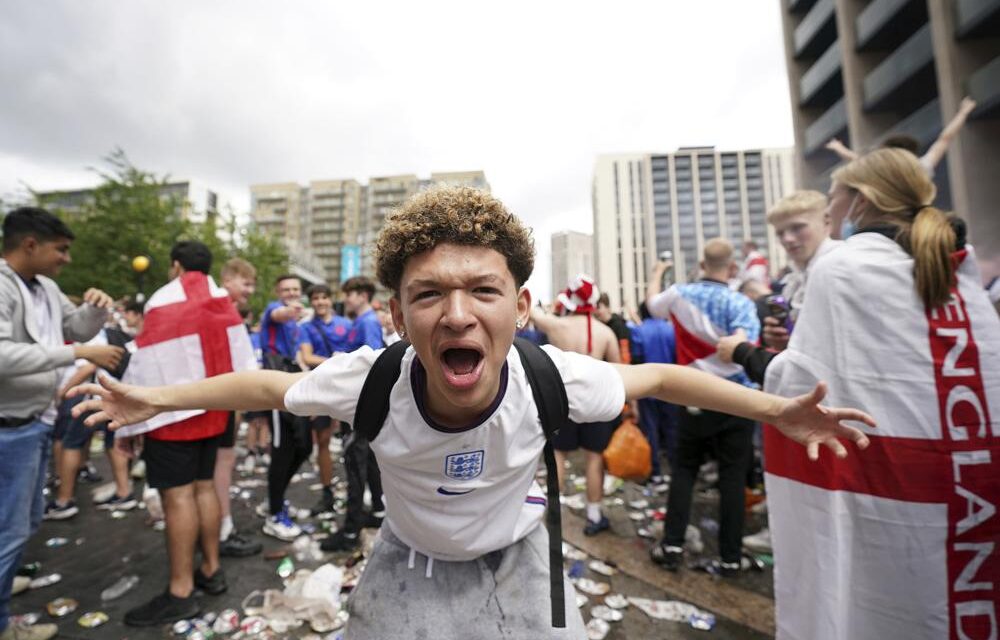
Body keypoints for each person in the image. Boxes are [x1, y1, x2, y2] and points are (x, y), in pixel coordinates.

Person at [70, 186, 873, 640]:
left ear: (520, 307)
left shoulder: (548, 376)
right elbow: (265, 389)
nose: (457, 314)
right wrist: (152, 397)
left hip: (519, 562)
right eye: (428, 294)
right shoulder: (371, 379)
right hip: (405, 568)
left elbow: (660, 379)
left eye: (482, 291)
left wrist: (778, 409)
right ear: (396, 314)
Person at [758, 148, 999, 639]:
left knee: (883, 606)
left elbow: (802, 388)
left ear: (861, 201)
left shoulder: (843, 269)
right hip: (974, 487)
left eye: (833, 199)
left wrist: (748, 356)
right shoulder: (957, 267)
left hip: (892, 490)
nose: (829, 212)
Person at [113, 241, 255, 626]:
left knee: (177, 498)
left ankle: (180, 590)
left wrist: (132, 421)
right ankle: (210, 569)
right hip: (216, 410)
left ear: (175, 265)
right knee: (205, 487)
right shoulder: (222, 301)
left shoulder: (162, 300)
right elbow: (245, 360)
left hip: (172, 415)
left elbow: (146, 362)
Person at [0, 207, 121, 640]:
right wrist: (77, 354)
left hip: (32, 422)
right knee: (10, 529)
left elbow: (73, 327)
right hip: (8, 427)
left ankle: (6, 574)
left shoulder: (46, 287)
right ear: (30, 244)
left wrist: (94, 311)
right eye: (62, 250)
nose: (66, 259)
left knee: (27, 522)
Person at [718, 190, 842, 554]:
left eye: (797, 228)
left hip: (827, 404)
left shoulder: (833, 270)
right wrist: (787, 338)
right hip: (809, 404)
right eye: (781, 233)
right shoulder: (801, 278)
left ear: (826, 222)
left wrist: (743, 352)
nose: (788, 239)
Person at [645, 239, 761, 576]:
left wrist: (658, 272)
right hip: (737, 399)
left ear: (701, 264)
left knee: (683, 471)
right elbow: (744, 347)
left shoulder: (681, 293)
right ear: (733, 268)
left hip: (693, 396)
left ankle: (672, 545)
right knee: (732, 478)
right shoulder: (740, 303)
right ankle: (729, 557)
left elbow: (652, 305)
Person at [530, 274, 621, 535]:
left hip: (565, 402)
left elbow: (533, 312)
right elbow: (620, 372)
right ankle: (594, 515)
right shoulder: (606, 332)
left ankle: (554, 510)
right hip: (598, 403)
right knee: (594, 459)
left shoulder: (558, 326)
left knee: (558, 456)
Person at [321, 276, 386, 552]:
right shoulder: (360, 322)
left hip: (358, 407)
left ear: (364, 295)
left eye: (351, 293)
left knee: (355, 466)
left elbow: (371, 363)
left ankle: (350, 531)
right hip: (360, 405)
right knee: (367, 462)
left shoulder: (368, 322)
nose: (347, 298)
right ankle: (379, 511)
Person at [215, 258, 263, 558]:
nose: (250, 290)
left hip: (217, 403)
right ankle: (222, 528)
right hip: (219, 404)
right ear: (229, 278)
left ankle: (221, 526)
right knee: (221, 465)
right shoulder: (223, 311)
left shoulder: (215, 307)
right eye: (246, 283)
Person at [259, 273, 309, 541]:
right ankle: (274, 513)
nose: (291, 292)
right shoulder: (275, 311)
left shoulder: (296, 324)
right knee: (282, 450)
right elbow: (278, 314)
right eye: (286, 289)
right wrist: (290, 311)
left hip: (292, 385)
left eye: (295, 289)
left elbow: (298, 357)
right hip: (275, 386)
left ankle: (274, 498)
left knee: (304, 447)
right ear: (278, 292)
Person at [299, 283, 352, 515]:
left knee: (355, 443)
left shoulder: (346, 324)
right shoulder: (306, 327)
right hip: (321, 388)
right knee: (322, 441)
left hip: (348, 388)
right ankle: (327, 491)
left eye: (324, 297)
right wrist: (338, 361)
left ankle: (357, 491)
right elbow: (308, 357)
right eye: (316, 298)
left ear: (331, 300)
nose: (320, 302)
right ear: (311, 302)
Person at [826, 97, 977, 179]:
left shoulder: (884, 171)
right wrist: (963, 112)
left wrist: (838, 148)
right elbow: (944, 139)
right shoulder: (920, 167)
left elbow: (855, 159)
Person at [632, 302, 677, 489]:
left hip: (647, 389)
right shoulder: (670, 330)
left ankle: (656, 473)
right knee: (672, 430)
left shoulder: (639, 331)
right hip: (672, 388)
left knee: (651, 431)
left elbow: (636, 360)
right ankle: (677, 472)